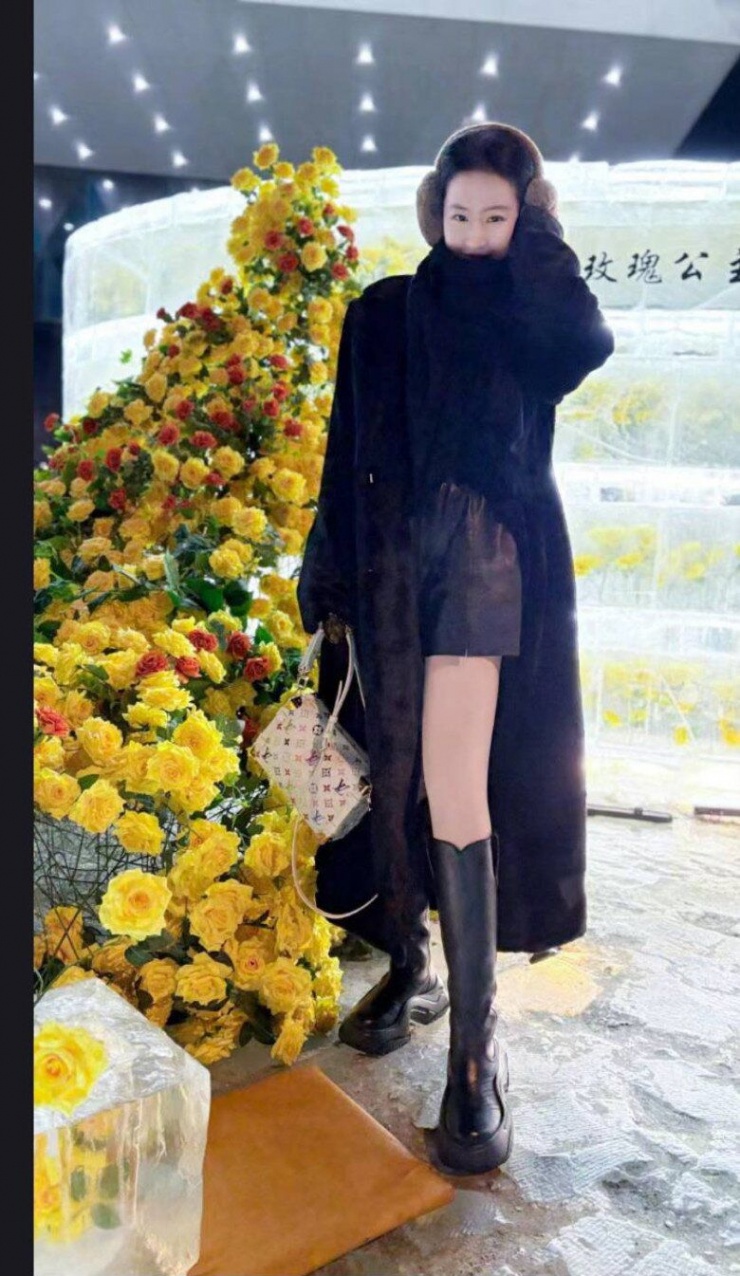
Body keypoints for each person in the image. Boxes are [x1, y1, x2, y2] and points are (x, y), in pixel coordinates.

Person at [296, 122, 616, 1176]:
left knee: (454, 776)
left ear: (526, 222)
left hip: (484, 561)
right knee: (390, 773)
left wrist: (538, 244)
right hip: (387, 564)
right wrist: (324, 570)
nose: (474, 235)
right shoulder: (382, 311)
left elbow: (582, 343)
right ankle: (410, 959)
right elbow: (343, 446)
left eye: (497, 218)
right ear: (434, 212)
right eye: (461, 214)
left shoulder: (529, 313)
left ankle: (476, 1052)